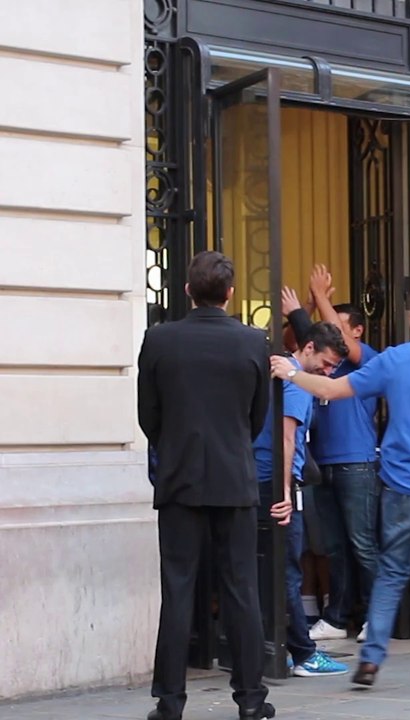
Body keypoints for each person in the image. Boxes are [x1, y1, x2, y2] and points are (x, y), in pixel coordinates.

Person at [270, 284, 410, 695]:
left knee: (392, 573)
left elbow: (334, 390)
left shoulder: (393, 361)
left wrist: (292, 373)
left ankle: (371, 659)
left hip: (400, 486)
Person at [137, 251, 275, 720]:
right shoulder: (253, 342)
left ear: (188, 291)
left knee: (178, 590)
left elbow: (148, 416)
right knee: (242, 590)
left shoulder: (159, 339)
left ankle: (170, 702)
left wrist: (174, 446)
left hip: (179, 478)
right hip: (234, 477)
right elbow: (257, 416)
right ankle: (251, 699)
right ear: (231, 294)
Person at [282, 268, 383, 645]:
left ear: (356, 330)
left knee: (362, 542)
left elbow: (334, 338)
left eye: (338, 324)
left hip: (356, 461)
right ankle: (338, 616)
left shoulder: (365, 359)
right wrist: (304, 309)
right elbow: (302, 344)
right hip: (322, 463)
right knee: (335, 546)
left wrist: (318, 296)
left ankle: (379, 615)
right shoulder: (322, 362)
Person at [252, 321, 350, 678]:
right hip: (276, 482)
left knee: (276, 567)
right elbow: (286, 440)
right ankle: (302, 652)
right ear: (307, 348)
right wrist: (284, 493)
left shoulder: (286, 378)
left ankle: (283, 649)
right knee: (286, 568)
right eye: (324, 364)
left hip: (263, 478)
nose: (327, 373)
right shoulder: (294, 387)